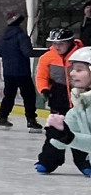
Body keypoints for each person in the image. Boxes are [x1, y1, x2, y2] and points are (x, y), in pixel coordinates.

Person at [37, 45, 91, 177]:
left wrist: (70, 138)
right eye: (73, 69)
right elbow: (59, 144)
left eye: (79, 70)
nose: (71, 73)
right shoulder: (77, 110)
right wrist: (57, 133)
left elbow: (72, 139)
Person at [0, 12, 41, 130]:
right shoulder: (21, 35)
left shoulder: (4, 36)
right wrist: (45, 53)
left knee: (9, 95)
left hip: (8, 72)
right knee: (29, 96)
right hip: (22, 72)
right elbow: (28, 52)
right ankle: (31, 120)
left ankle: (2, 117)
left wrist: (10, 55)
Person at [36, 28, 81, 119]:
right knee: (56, 125)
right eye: (54, 43)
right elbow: (41, 76)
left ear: (70, 42)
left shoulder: (82, 55)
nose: (57, 47)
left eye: (61, 44)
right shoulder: (46, 58)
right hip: (57, 99)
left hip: (79, 99)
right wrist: (44, 89)